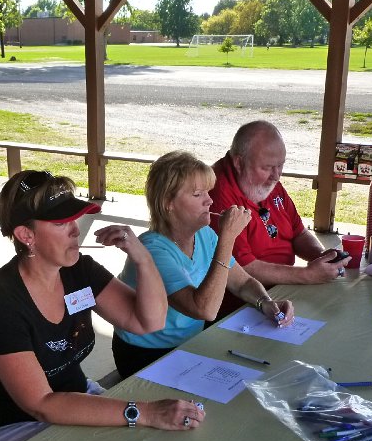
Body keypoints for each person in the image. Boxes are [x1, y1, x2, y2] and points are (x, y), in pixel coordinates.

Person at [0, 170, 205, 441]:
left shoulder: (78, 271)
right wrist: (145, 412)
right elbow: (41, 404)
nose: (75, 230)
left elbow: (148, 321)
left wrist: (143, 258)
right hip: (4, 425)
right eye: (60, 223)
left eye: (74, 218)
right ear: (26, 235)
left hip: (73, 396)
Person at [112, 151, 295, 379]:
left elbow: (242, 282)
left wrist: (266, 303)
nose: (210, 200)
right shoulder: (153, 250)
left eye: (208, 192)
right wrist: (227, 238)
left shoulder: (204, 234)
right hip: (147, 354)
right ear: (168, 203)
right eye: (198, 194)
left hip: (190, 343)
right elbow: (204, 310)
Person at [209, 121, 351, 313]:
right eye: (267, 168)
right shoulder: (218, 193)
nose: (276, 176)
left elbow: (298, 233)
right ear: (239, 163)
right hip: (244, 305)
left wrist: (322, 257)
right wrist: (308, 275)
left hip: (283, 289)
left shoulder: (264, 183)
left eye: (280, 165)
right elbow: (243, 269)